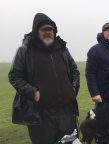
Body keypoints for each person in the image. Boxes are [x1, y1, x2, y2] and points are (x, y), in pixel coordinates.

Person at [8, 13, 80, 144]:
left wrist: (73, 89)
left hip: (66, 111)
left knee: (70, 142)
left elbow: (75, 71)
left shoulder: (62, 49)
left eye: (50, 30)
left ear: (54, 31)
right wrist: (33, 93)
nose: (47, 32)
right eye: (43, 30)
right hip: (40, 114)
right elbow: (14, 76)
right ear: (36, 32)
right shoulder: (25, 50)